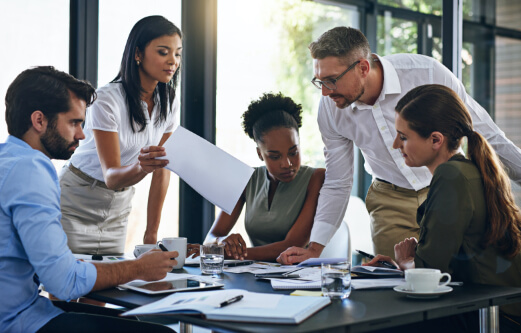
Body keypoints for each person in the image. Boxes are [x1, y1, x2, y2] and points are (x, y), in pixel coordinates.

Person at [277, 26, 521, 264]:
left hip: (447, 190)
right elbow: (338, 180)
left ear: (362, 67)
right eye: (319, 81)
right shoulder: (331, 108)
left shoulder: (427, 73)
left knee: (455, 282)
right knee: (397, 287)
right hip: (389, 201)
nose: (325, 93)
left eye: (331, 80)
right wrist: (315, 248)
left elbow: (487, 134)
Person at [0, 66, 178, 333]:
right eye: (74, 123)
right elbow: (63, 283)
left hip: (23, 307)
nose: (82, 135)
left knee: (130, 321)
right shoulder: (32, 171)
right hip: (19, 321)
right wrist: (139, 268)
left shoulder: (8, 160)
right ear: (39, 121)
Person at [366, 84, 521, 332]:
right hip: (490, 309)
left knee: (375, 320)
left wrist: (407, 263)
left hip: (489, 316)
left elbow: (431, 272)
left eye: (404, 137)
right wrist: (401, 265)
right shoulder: (469, 171)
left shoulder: (451, 176)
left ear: (436, 140)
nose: (396, 145)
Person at [59, 15, 186, 255]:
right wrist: (143, 167)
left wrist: (151, 234)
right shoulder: (106, 99)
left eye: (177, 53)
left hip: (118, 206)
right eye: (163, 52)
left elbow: (162, 169)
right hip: (76, 200)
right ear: (138, 54)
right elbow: (112, 176)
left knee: (109, 286)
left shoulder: (168, 100)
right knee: (64, 287)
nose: (173, 61)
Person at [204, 92, 325, 261]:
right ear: (260, 154)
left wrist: (233, 254)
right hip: (257, 274)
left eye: (293, 152)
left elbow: (292, 246)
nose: (287, 164)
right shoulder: (246, 179)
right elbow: (211, 238)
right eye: (275, 156)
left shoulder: (316, 178)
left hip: (303, 277)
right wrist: (221, 241)